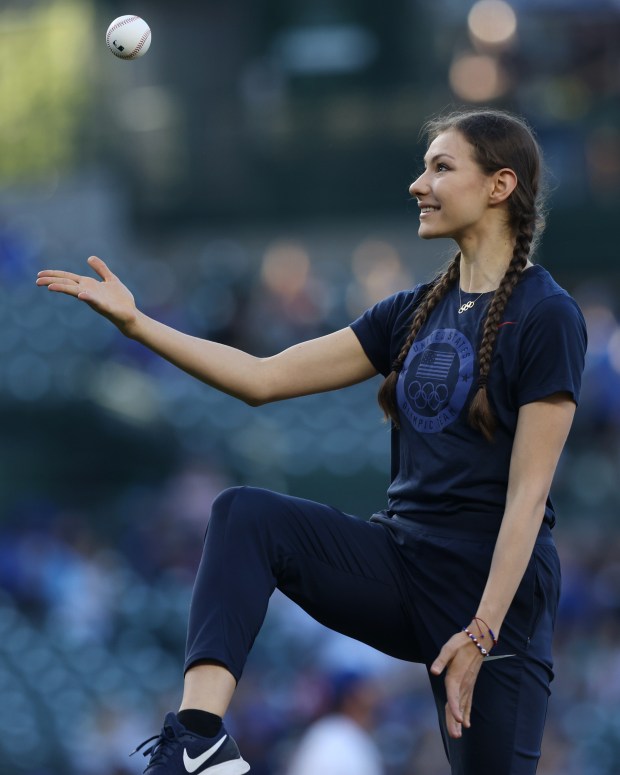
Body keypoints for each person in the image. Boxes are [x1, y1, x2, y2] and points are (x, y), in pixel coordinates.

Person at [36, 107, 587, 775]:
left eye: (441, 167)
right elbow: (262, 378)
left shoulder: (547, 314)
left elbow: (528, 498)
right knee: (244, 515)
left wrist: (481, 631)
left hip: (494, 596)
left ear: (500, 186)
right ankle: (200, 739)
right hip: (403, 563)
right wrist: (139, 325)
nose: (419, 183)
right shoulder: (409, 311)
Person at [285, 670, 384, 775]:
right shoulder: (336, 739)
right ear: (351, 699)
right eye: (366, 690)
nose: (375, 698)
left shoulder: (329, 732)